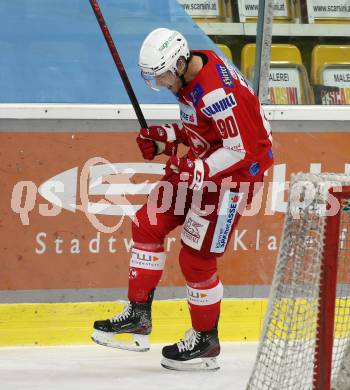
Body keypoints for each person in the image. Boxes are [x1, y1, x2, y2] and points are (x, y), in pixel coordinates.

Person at [92, 28, 273, 371]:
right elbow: (203, 129)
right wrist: (166, 139)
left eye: (161, 76)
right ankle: (139, 317)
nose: (160, 84)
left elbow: (241, 149)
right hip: (208, 165)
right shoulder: (192, 71)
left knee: (196, 259)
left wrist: (195, 168)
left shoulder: (216, 92)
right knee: (148, 223)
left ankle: (206, 341)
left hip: (234, 178)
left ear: (177, 63)